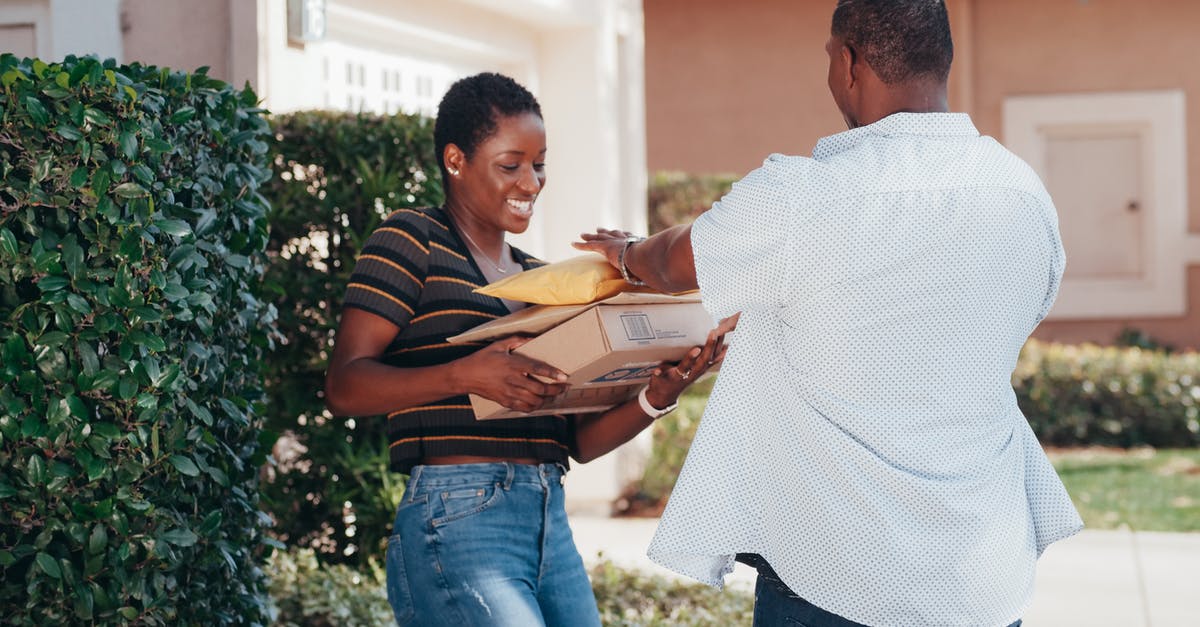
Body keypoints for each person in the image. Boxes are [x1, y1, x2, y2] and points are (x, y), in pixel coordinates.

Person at [573, 1, 1083, 625]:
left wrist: (627, 252)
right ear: (942, 61)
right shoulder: (1024, 192)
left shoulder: (800, 197)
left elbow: (679, 261)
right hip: (980, 577)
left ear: (848, 63)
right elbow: (1006, 315)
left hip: (836, 574)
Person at [323, 72, 726, 626]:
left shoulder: (544, 283)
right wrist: (467, 374)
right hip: (458, 515)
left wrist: (656, 397)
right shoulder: (411, 239)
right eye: (510, 164)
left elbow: (575, 442)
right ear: (456, 161)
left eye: (539, 165)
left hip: (548, 518)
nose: (531, 183)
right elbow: (344, 386)